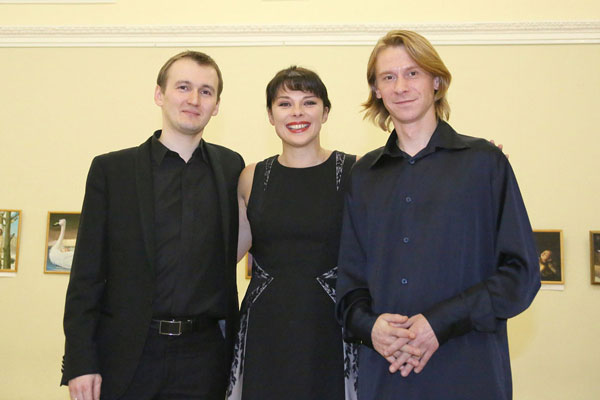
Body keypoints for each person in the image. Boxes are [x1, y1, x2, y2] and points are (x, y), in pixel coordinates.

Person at [335, 30, 540, 400]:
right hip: (385, 373)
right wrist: (372, 328)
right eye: (388, 77)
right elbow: (349, 284)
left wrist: (439, 323)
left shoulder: (485, 164)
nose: (401, 86)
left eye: (412, 73)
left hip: (468, 371)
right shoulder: (362, 176)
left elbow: (521, 274)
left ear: (437, 81)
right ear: (376, 90)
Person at [61, 51, 244, 400]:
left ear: (217, 105)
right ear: (159, 94)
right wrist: (80, 361)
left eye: (206, 91)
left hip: (205, 359)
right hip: (128, 355)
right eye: (183, 87)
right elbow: (86, 275)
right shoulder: (112, 171)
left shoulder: (231, 168)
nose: (194, 99)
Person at [227, 66, 363, 400]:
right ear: (270, 115)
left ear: (325, 112)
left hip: (331, 326)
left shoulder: (356, 171)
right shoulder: (251, 177)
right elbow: (225, 255)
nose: (297, 112)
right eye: (285, 104)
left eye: (309, 102)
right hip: (264, 328)